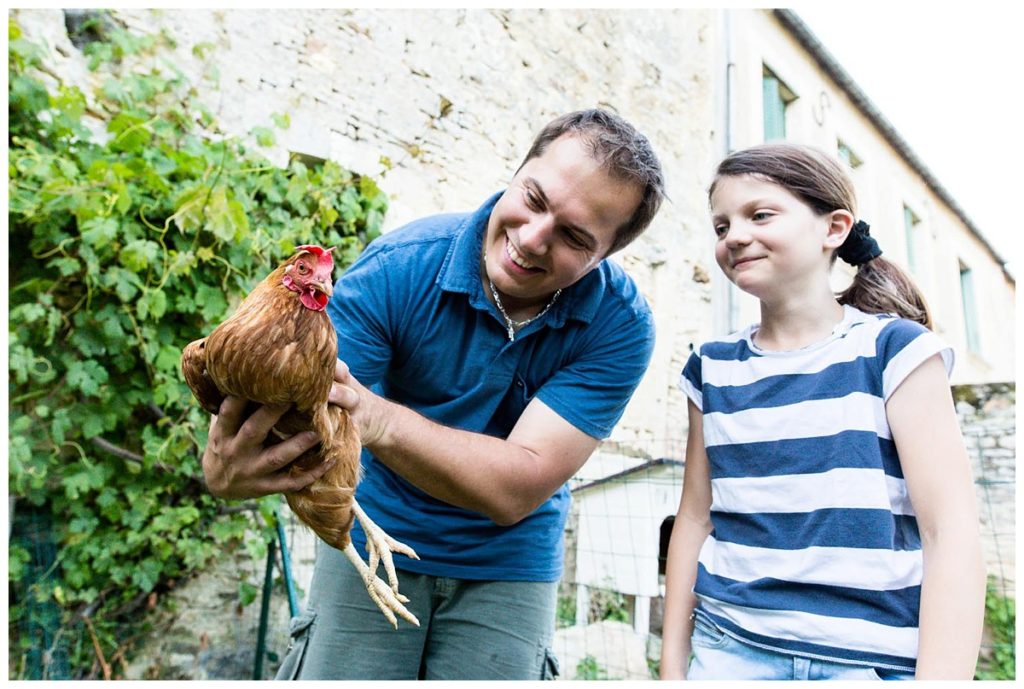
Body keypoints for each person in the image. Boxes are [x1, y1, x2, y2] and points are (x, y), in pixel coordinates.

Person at [200, 109, 666, 679]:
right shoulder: (400, 269)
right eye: (534, 198)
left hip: (508, 559)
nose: (532, 237)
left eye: (573, 237)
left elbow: (515, 487)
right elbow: (305, 413)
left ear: (604, 257)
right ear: (517, 172)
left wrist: (378, 420)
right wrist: (233, 465)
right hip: (372, 531)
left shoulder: (618, 324)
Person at [659, 143, 986, 681]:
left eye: (760, 214)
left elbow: (949, 530)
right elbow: (695, 518)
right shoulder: (710, 368)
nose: (735, 235)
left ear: (833, 228)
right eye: (721, 227)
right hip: (730, 653)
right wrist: (673, 669)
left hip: (870, 663)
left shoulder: (895, 352)